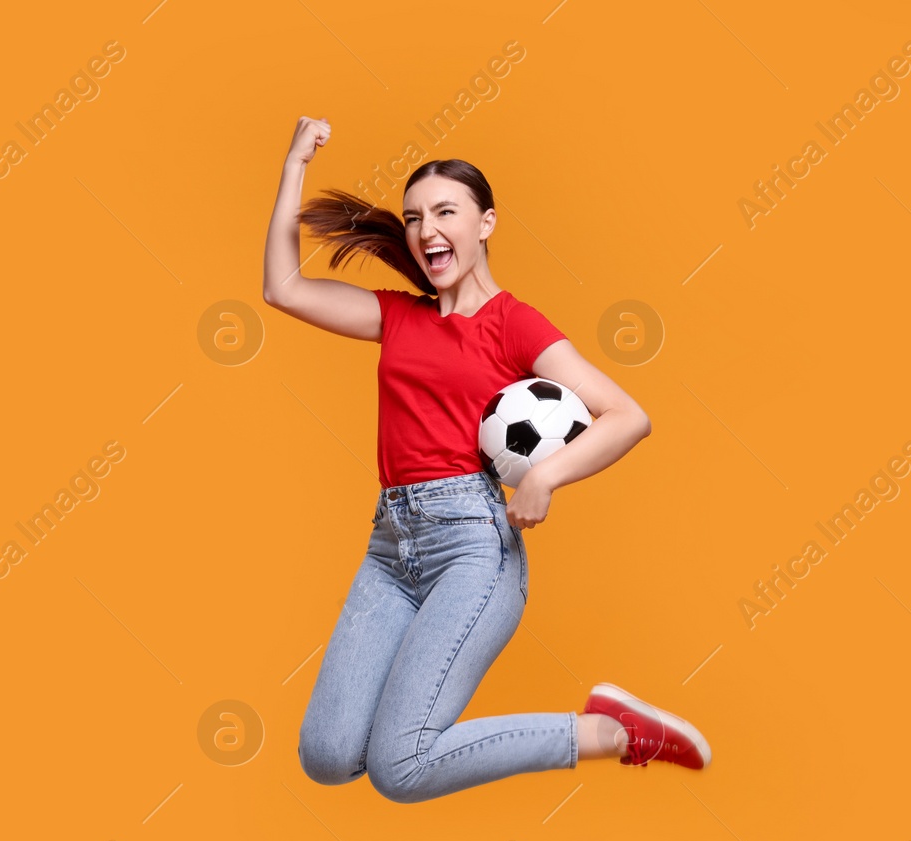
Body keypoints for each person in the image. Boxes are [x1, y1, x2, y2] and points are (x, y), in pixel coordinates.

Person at [263, 115, 712, 803]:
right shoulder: (398, 316)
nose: (426, 229)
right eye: (414, 217)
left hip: (473, 549)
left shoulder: (512, 322)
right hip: (391, 545)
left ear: (485, 224)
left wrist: (545, 473)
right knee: (326, 755)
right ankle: (421, 738)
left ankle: (613, 733)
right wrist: (296, 163)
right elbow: (283, 290)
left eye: (446, 211)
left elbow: (628, 415)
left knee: (398, 770)